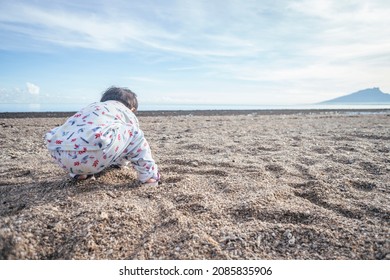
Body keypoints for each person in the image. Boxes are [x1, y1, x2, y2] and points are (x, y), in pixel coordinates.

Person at [44, 86, 160, 186]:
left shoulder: (91, 108)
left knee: (81, 137)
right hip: (97, 151)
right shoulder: (126, 112)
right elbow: (129, 142)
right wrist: (121, 163)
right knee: (134, 133)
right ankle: (148, 177)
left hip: (60, 154)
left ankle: (80, 174)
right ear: (132, 109)